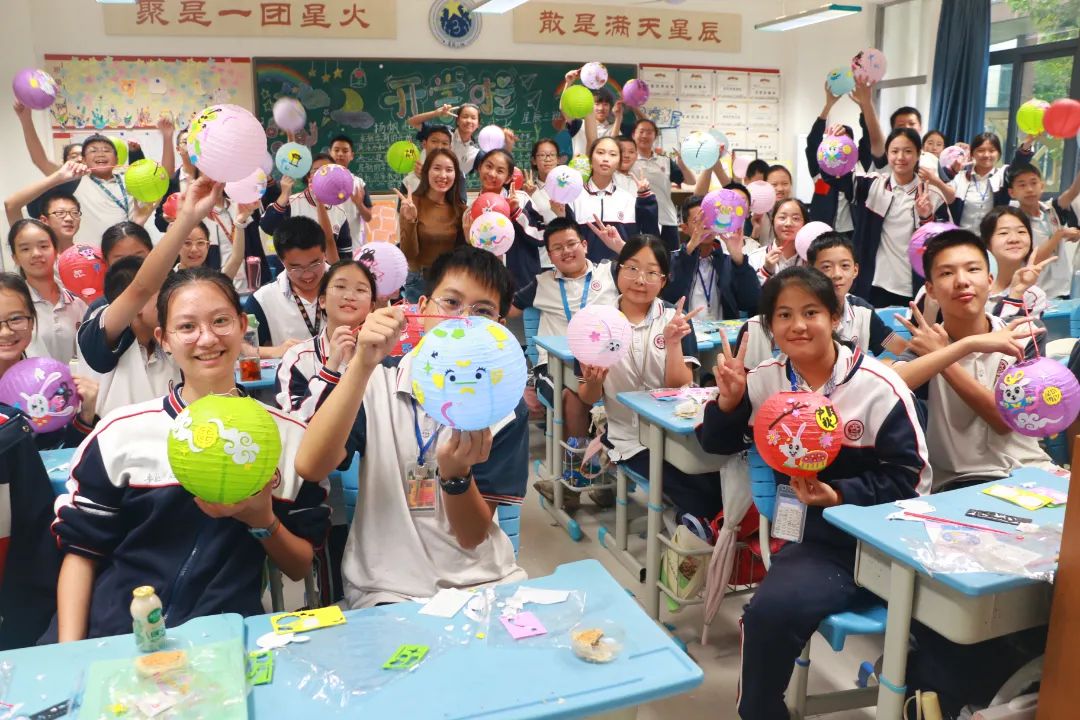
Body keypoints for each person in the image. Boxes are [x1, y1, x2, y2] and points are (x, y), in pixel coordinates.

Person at [49, 235, 330, 641]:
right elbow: (81, 553)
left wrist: (261, 519)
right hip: (115, 636)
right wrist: (71, 652)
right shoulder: (120, 433)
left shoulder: (287, 438)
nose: (207, 338)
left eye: (220, 321)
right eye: (187, 327)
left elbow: (300, 565)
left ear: (242, 326)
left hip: (223, 638)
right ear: (164, 338)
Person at [697, 265, 931, 720]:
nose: (798, 325)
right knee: (767, 614)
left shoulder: (879, 387)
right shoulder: (764, 380)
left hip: (879, 538)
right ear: (770, 326)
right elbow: (715, 446)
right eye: (784, 315)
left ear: (835, 317)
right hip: (815, 542)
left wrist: (839, 494)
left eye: (811, 312)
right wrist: (728, 403)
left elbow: (912, 479)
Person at [295, 246, 530, 608]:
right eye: (451, 303)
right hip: (388, 590)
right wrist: (361, 365)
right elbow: (310, 466)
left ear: (499, 325)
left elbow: (471, 536)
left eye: (482, 312)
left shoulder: (504, 406)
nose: (463, 322)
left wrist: (455, 477)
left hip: (483, 582)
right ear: (423, 307)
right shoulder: (376, 382)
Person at [892, 230, 1062, 490]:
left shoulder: (1024, 334)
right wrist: (964, 347)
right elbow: (890, 385)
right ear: (931, 290)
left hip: (1030, 470)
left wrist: (945, 357)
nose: (962, 281)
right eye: (946, 273)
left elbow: (1005, 421)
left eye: (972, 269)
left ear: (990, 280)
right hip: (959, 481)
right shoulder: (927, 345)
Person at [577, 234, 722, 521]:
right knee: (699, 495)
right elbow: (588, 397)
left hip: (678, 432)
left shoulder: (675, 319)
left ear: (664, 280)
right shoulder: (595, 323)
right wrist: (594, 381)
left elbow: (680, 387)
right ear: (618, 270)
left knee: (721, 479)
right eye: (632, 268)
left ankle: (702, 530)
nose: (640, 280)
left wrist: (673, 344)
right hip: (629, 439)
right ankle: (689, 532)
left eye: (652, 272)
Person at [274, 258, 377, 604]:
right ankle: (332, 602)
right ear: (321, 300)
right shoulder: (299, 358)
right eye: (340, 287)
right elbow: (297, 429)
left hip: (375, 475)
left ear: (373, 305)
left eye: (361, 290)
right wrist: (332, 368)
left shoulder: (386, 357)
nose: (350, 296)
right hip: (321, 483)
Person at [740, 232, 908, 367]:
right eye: (826, 267)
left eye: (845, 266)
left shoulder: (862, 312)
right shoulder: (774, 317)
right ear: (810, 269)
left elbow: (901, 348)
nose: (837, 274)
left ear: (855, 270)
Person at [852, 128, 949, 307]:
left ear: (918, 154)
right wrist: (835, 145)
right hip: (874, 284)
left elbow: (946, 245)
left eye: (908, 151)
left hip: (915, 287)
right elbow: (836, 179)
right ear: (887, 154)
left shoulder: (932, 195)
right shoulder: (872, 186)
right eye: (894, 151)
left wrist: (927, 218)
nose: (900, 157)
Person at [0, 273, 97, 450]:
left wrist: (86, 415)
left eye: (16, 319)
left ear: (32, 321)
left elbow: (61, 453)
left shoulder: (46, 380)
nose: (6, 332)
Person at [663, 195, 760, 323]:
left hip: (724, 332)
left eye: (711, 219)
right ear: (685, 228)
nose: (706, 225)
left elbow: (751, 301)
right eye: (698, 221)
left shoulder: (730, 262)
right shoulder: (672, 260)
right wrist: (689, 250)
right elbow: (668, 297)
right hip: (685, 331)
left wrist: (739, 259)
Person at [806, 79, 885, 235]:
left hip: (853, 233)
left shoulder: (859, 166)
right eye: (835, 143)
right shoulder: (821, 168)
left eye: (845, 143)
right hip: (823, 232)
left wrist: (863, 106)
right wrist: (828, 106)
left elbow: (868, 138)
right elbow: (812, 142)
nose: (840, 148)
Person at [563, 137, 659, 262]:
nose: (605, 158)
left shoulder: (628, 200)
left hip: (621, 270)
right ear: (590, 158)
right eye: (600, 152)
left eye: (613, 154)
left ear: (619, 162)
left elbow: (650, 237)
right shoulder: (573, 199)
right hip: (583, 271)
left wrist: (645, 199)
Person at [245, 216, 328, 358]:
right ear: (281, 260)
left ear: (325, 254)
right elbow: (239, 346)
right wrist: (275, 351)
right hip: (291, 371)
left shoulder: (348, 285)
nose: (307, 275)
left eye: (315, 264)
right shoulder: (264, 299)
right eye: (296, 268)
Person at [7, 219, 87, 361]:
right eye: (25, 249)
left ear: (55, 251)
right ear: (15, 258)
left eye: (43, 246)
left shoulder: (78, 302)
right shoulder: (11, 305)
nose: (36, 254)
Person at [468, 148, 545, 291]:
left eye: (500, 171)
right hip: (488, 285)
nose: (492, 174)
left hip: (522, 285)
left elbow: (540, 237)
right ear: (479, 167)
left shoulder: (521, 199)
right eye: (488, 166)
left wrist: (516, 212)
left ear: (509, 178)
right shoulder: (472, 209)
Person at [396, 148, 467, 303]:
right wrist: (410, 221)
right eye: (437, 168)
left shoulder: (460, 209)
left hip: (450, 281)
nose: (443, 175)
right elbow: (408, 255)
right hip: (419, 282)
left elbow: (462, 254)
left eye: (449, 170)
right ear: (426, 172)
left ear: (456, 175)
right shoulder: (412, 203)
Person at [1006, 163, 1080, 299]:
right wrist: (1060, 234)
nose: (1029, 189)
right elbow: (1034, 259)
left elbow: (1073, 191)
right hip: (1034, 293)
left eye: (1033, 183)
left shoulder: (1052, 209)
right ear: (1012, 192)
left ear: (1042, 186)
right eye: (1022, 185)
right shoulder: (1014, 221)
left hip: (1062, 289)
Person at [260, 153, 350, 262]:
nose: (322, 175)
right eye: (316, 171)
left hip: (328, 272)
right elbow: (267, 226)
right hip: (295, 270)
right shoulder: (292, 203)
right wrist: (283, 196)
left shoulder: (339, 211)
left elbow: (345, 255)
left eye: (327, 171)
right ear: (308, 176)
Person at [947, 132, 1036, 233]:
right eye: (981, 150)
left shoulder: (1003, 175)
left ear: (998, 154)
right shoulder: (959, 177)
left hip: (992, 239)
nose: (986, 155)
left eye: (992, 150)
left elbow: (1019, 163)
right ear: (972, 154)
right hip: (960, 238)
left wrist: (1027, 144)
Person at [631, 119, 694, 252]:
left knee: (670, 260)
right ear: (633, 134)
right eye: (641, 131)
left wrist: (682, 165)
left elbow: (691, 181)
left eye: (649, 132)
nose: (644, 135)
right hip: (637, 220)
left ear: (655, 136)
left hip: (666, 220)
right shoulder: (627, 161)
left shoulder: (665, 161)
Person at [4, 162, 87, 252]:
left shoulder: (87, 254)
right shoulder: (36, 254)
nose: (69, 218)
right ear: (44, 220)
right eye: (60, 213)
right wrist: (59, 177)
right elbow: (11, 205)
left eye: (74, 213)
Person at [407, 102, 481, 175]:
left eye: (473, 118)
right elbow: (412, 122)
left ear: (478, 124)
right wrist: (435, 113)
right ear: (458, 121)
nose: (469, 121)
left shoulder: (475, 152)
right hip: (417, 180)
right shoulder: (441, 132)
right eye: (465, 117)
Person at [328, 133, 373, 249]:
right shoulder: (320, 181)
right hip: (327, 247)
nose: (340, 154)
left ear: (352, 155)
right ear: (330, 153)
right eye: (336, 150)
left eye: (345, 151)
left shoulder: (359, 183)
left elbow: (368, 217)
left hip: (352, 247)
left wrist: (359, 204)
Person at [748, 198, 809, 283]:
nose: (788, 223)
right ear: (773, 221)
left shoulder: (810, 260)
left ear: (805, 224)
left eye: (795, 218)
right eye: (782, 217)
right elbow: (749, 290)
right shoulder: (755, 257)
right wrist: (766, 271)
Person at [522, 138, 561, 267]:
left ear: (558, 159)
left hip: (565, 255)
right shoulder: (527, 190)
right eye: (542, 155)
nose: (547, 159)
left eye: (551, 155)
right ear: (534, 160)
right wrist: (528, 196)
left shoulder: (568, 188)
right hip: (539, 258)